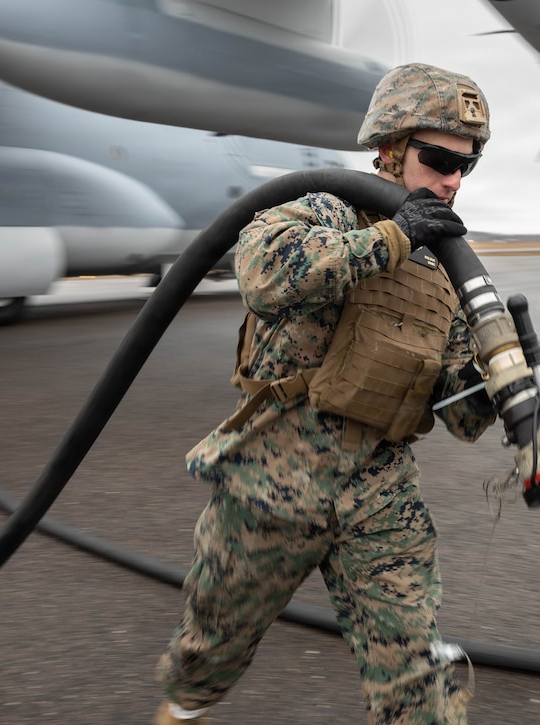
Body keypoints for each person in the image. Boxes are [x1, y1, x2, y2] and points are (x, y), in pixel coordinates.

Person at [154, 63, 497, 725]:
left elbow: (460, 410)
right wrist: (396, 237)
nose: (453, 180)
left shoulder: (446, 268)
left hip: (380, 492)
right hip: (273, 478)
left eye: (467, 165)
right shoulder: (317, 208)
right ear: (391, 148)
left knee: (418, 676)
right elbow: (264, 273)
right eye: (438, 159)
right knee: (206, 655)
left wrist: (506, 390)